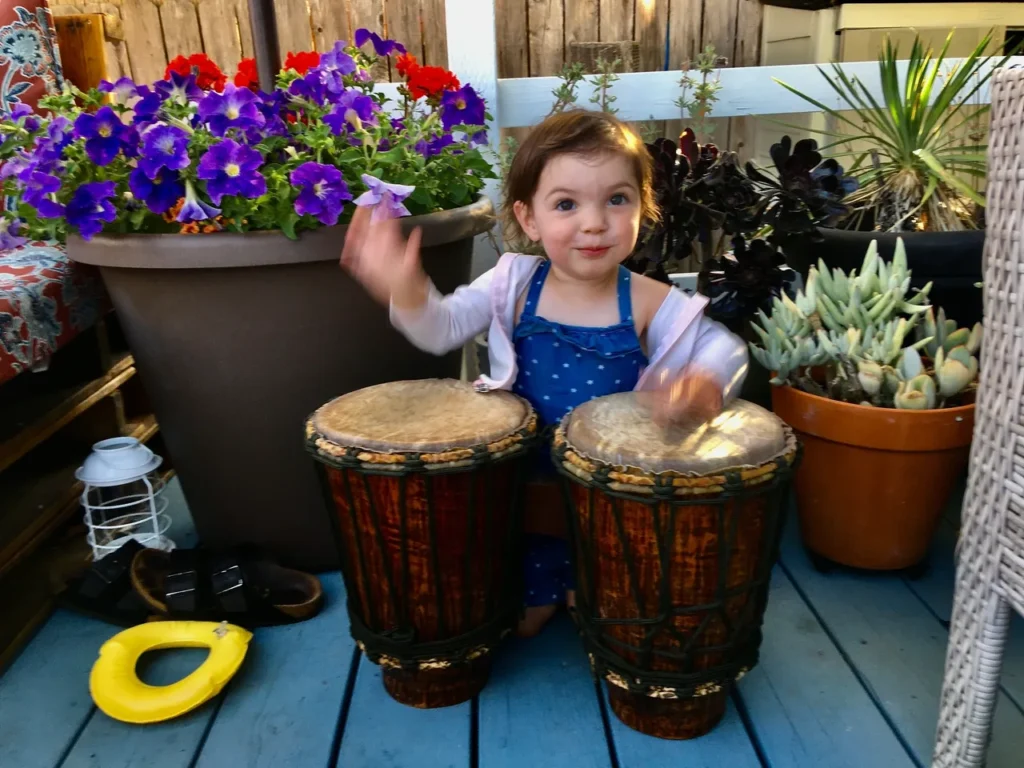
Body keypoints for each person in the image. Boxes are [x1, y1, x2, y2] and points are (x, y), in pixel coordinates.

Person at [341, 108, 748, 636]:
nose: (594, 222)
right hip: (525, 471)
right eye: (566, 204)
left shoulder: (649, 301)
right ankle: (543, 587)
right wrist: (407, 290)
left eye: (616, 199)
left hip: (610, 482)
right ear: (529, 218)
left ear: (643, 209)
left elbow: (725, 347)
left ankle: (587, 585)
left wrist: (705, 384)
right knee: (523, 601)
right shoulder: (510, 282)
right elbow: (440, 329)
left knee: (608, 591)